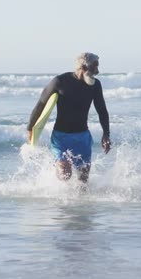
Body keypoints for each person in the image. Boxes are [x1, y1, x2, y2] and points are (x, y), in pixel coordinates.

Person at [27, 52, 111, 189]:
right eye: (94, 67)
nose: (97, 71)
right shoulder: (60, 82)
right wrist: (30, 128)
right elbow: (41, 104)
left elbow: (102, 110)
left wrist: (106, 134)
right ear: (83, 68)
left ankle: (79, 207)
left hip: (83, 137)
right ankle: (61, 198)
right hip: (61, 137)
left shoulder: (95, 85)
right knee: (65, 173)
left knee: (83, 181)